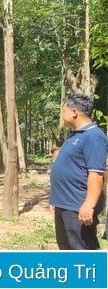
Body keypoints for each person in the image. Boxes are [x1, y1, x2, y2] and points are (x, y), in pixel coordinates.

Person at [49, 92, 107, 250]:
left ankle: (94, 275)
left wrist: (89, 204)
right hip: (64, 204)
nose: (63, 115)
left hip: (77, 206)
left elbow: (96, 173)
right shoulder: (75, 136)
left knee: (83, 250)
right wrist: (56, 200)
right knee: (67, 250)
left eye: (64, 111)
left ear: (74, 112)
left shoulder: (93, 136)